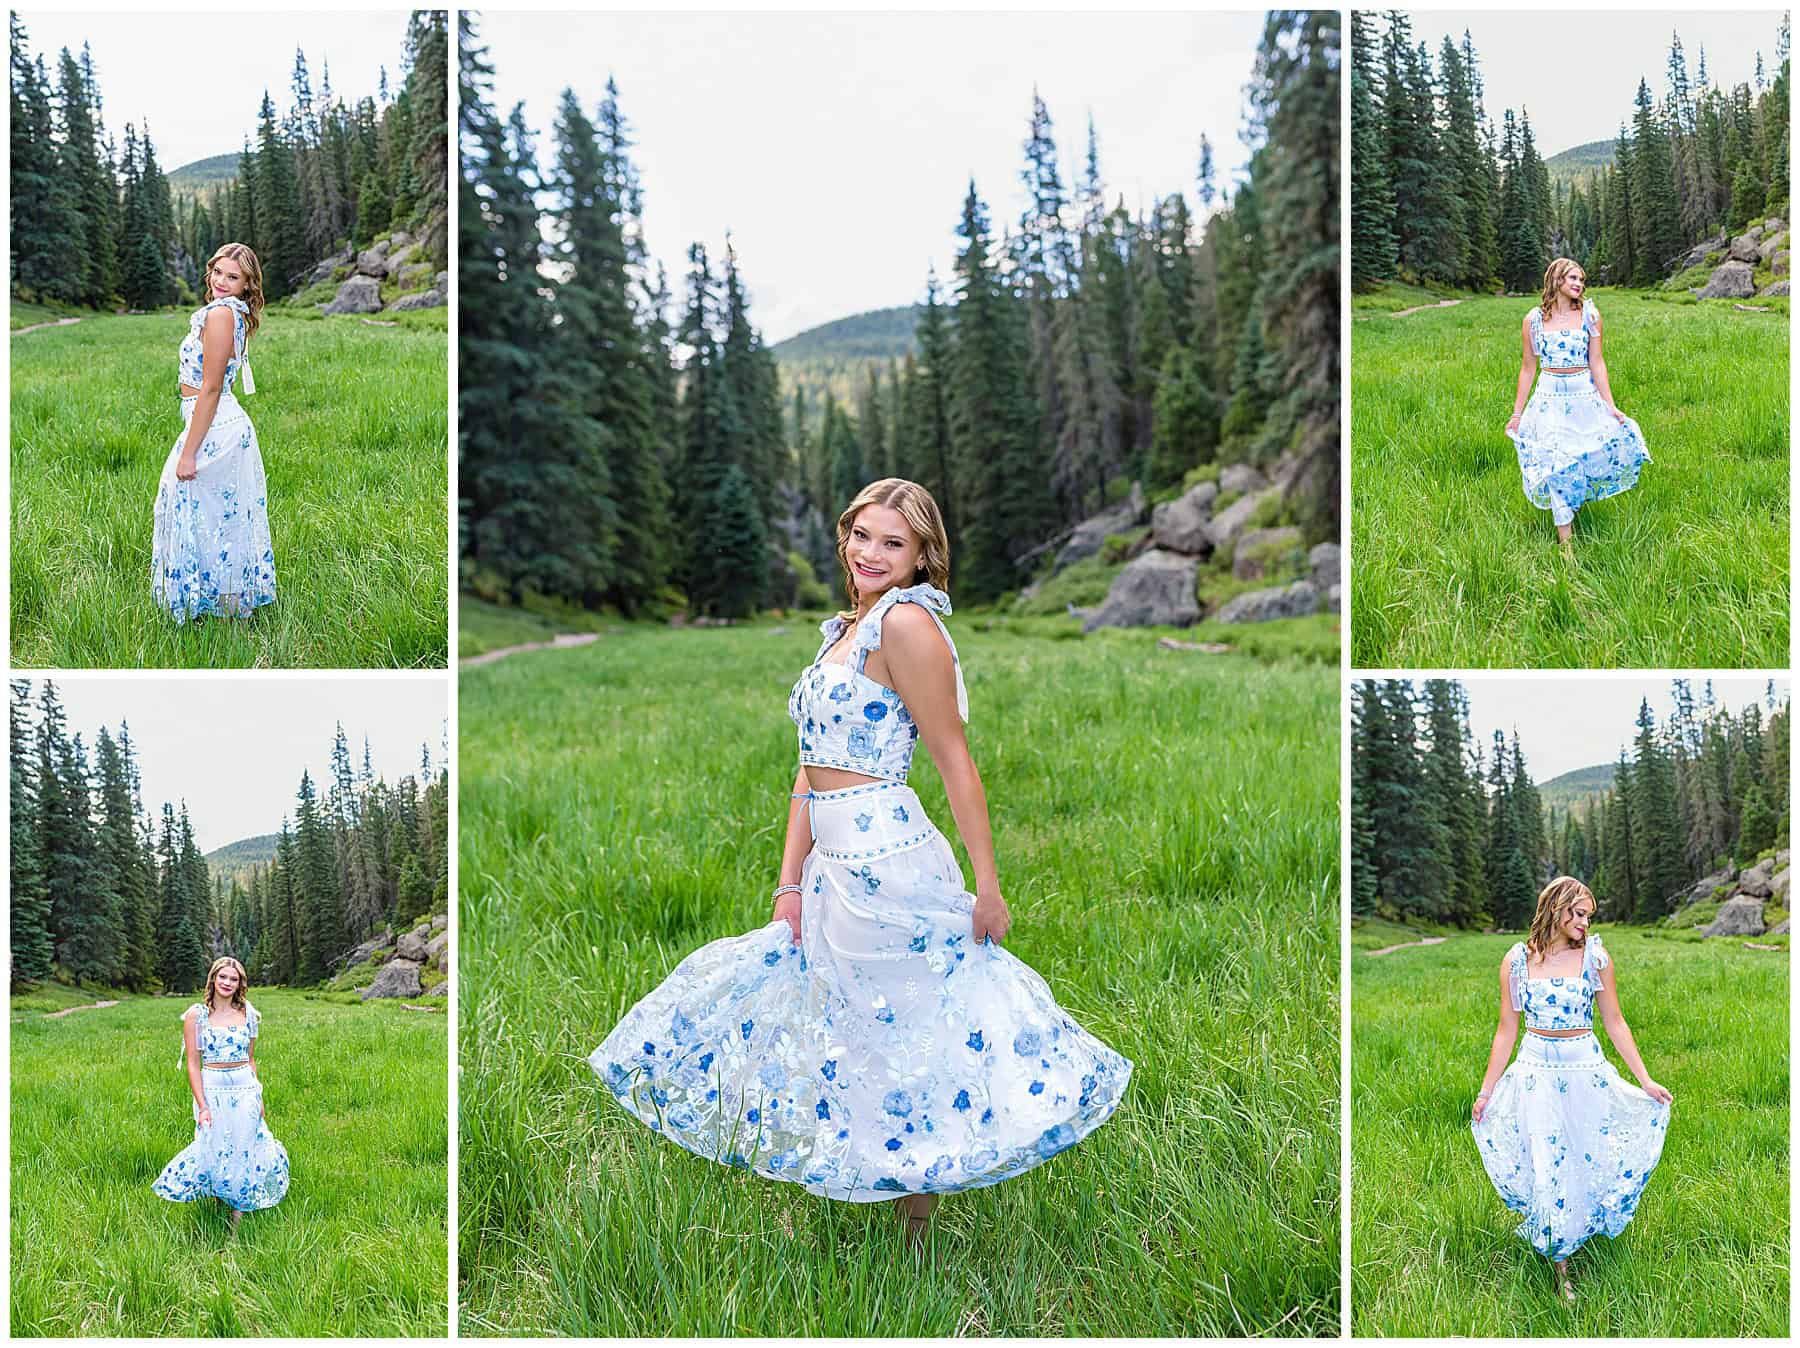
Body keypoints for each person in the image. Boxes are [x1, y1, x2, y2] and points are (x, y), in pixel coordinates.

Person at [590, 477, 1132, 1248]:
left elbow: (953, 760)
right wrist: (787, 883)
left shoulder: (907, 627)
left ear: (920, 558)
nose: (873, 553)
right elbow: (805, 774)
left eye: (894, 542)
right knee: (839, 1025)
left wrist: (989, 886)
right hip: (829, 867)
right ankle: (859, 1175)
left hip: (889, 859)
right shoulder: (843, 631)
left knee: (911, 1029)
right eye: (863, 535)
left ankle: (916, 1231)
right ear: (845, 538)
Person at [1470, 877, 1672, 1301]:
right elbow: (1506, 1031)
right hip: (1536, 1072)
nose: (1584, 922)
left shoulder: (1595, 959)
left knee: (1583, 1158)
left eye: (1588, 916)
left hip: (1586, 1070)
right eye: (1577, 914)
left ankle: (1582, 1235)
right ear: (1556, 909)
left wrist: (1645, 1079)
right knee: (1549, 1164)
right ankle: (1561, 1271)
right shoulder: (1517, 962)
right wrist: (1487, 1092)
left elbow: (1616, 1022)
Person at [152, 242, 277, 622]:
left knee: (188, 504)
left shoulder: (222, 315)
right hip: (213, 420)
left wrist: (189, 452)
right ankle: (214, 601)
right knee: (212, 513)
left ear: (246, 284)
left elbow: (210, 388)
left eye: (232, 276)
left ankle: (208, 604)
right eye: (218, 272)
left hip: (215, 424)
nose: (221, 281)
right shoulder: (228, 313)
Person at [1505, 257, 1651, 551]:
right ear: (1556, 280)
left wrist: (1611, 405)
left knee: (1580, 459)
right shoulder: (1533, 320)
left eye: (1581, 280)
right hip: (1548, 400)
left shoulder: (1590, 315)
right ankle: (1566, 549)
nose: (1578, 284)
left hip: (1583, 397)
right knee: (1555, 464)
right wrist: (1517, 413)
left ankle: (1573, 507)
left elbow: (1597, 363)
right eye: (1572, 278)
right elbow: (1527, 368)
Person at [152, 957, 290, 1227]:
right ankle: (219, 1203)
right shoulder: (197, 1015)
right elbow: (193, 1063)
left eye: (234, 978)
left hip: (244, 1087)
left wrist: (258, 1094)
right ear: (213, 979)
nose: (227, 983)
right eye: (223, 977)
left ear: (240, 983)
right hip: (213, 1086)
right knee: (215, 1146)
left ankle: (237, 1223)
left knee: (244, 1146)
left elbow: (251, 1058)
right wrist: (202, 1105)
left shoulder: (248, 1013)